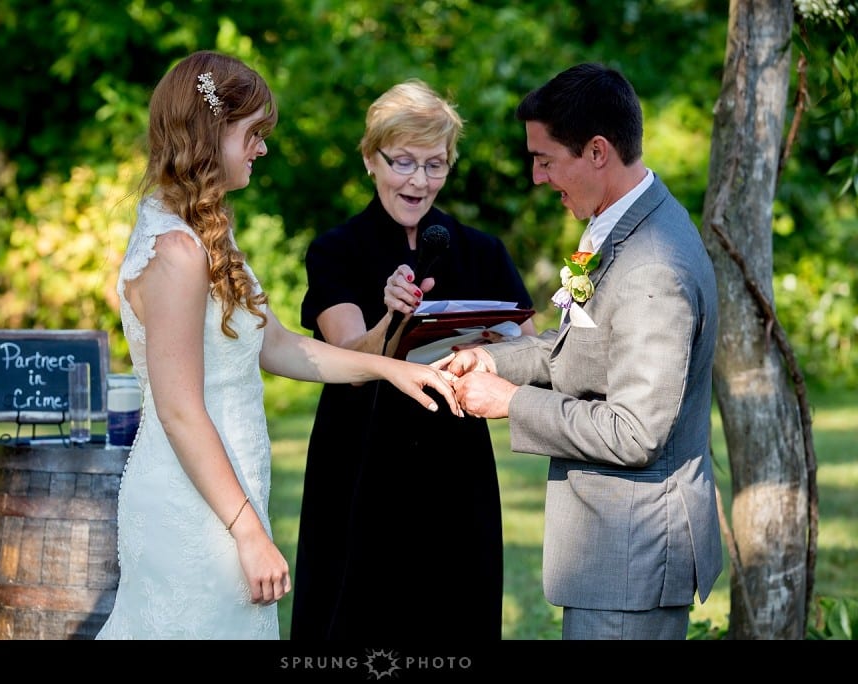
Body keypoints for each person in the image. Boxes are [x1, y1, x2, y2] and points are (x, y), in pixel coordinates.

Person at [95, 51, 461, 640]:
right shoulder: (176, 253)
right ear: (210, 134)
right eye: (253, 133)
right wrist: (246, 530)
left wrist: (390, 371)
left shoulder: (208, 234)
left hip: (229, 483)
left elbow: (283, 348)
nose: (262, 148)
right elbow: (180, 410)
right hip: (196, 502)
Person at [435, 63, 723, 640]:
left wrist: (511, 402)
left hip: (630, 559)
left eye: (545, 159)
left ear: (597, 151)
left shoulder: (653, 266)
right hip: (614, 556)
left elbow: (635, 431)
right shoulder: (620, 226)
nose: (538, 177)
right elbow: (578, 346)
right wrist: (493, 360)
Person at [290, 79, 536, 641]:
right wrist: (390, 320)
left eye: (435, 164)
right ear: (370, 160)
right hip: (359, 458)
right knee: (355, 617)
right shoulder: (337, 249)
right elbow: (346, 358)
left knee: (457, 615)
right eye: (402, 162)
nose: (419, 181)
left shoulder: (481, 249)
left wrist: (488, 356)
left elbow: (531, 348)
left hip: (455, 457)